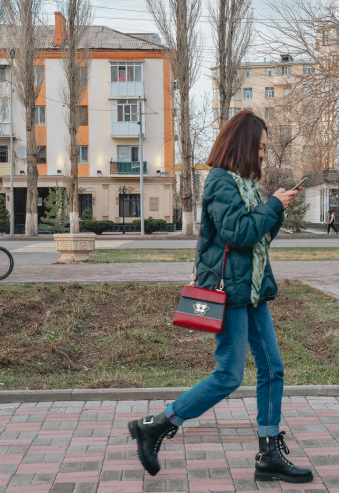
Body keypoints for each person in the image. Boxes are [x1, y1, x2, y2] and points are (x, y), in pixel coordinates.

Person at [128, 110, 314, 484]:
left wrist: (277, 210)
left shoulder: (246, 185)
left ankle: (269, 453)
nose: (263, 154)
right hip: (228, 293)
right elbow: (239, 234)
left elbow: (259, 238)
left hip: (252, 290)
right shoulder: (220, 182)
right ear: (243, 144)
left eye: (265, 148)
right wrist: (273, 205)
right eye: (260, 147)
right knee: (229, 376)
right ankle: (157, 424)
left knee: (273, 368)